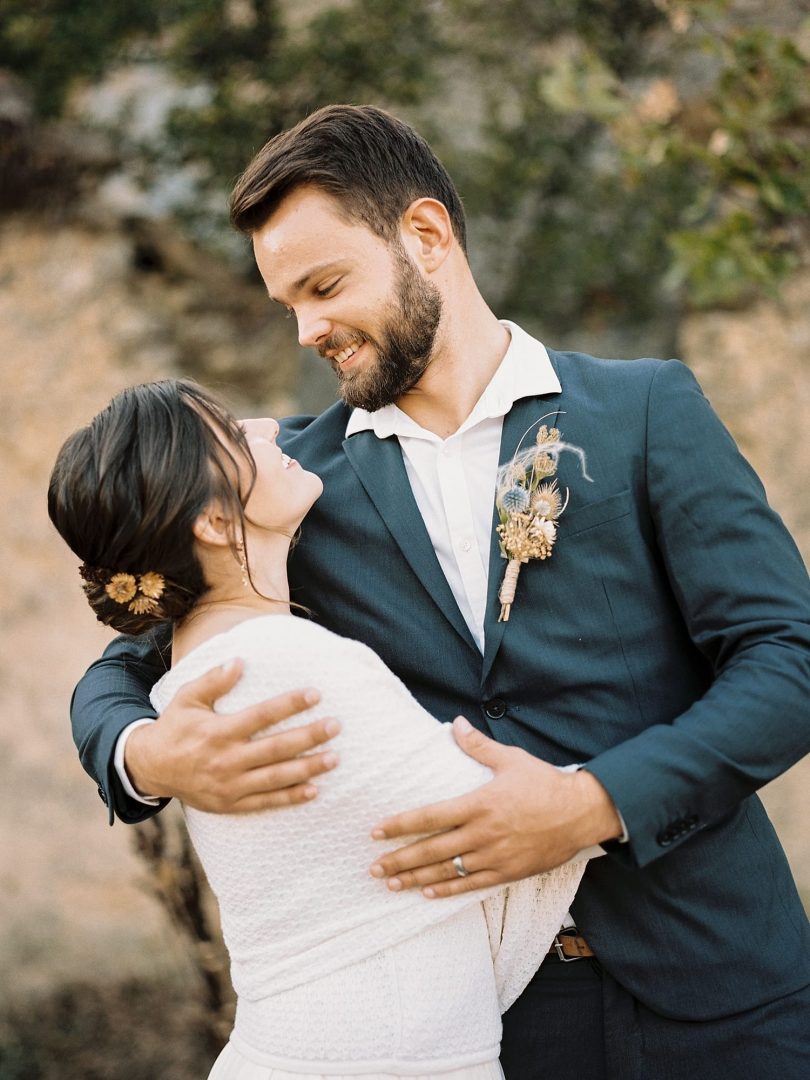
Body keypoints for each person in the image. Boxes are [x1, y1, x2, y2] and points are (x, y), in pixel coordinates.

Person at [70, 106, 810, 1079]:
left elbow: (787, 659)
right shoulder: (292, 485)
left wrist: (596, 803)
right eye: (286, 302)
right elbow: (117, 674)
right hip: (490, 1018)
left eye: (325, 286)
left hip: (722, 992)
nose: (307, 329)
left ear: (425, 235)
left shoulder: (642, 412)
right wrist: (152, 753)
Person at [49, 377, 591, 1078]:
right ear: (213, 523)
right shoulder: (283, 665)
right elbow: (517, 817)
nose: (271, 426)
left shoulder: (206, 665)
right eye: (237, 434)